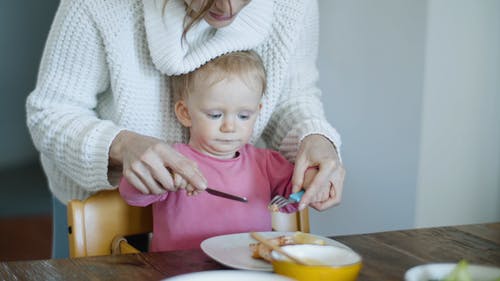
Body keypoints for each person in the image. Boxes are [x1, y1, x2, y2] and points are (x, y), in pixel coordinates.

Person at [26, 0, 345, 258]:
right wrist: (122, 147)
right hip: (106, 213)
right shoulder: (101, 6)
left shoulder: (293, 6)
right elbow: (50, 113)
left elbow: (294, 97)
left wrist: (315, 139)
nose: (228, 7)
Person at [120, 50, 317, 251]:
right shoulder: (173, 161)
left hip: (249, 269)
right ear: (185, 113)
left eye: (244, 116)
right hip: (182, 270)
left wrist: (310, 184)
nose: (229, 127)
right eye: (215, 115)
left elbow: (295, 196)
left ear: (258, 111)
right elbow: (132, 194)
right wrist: (157, 178)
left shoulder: (266, 163)